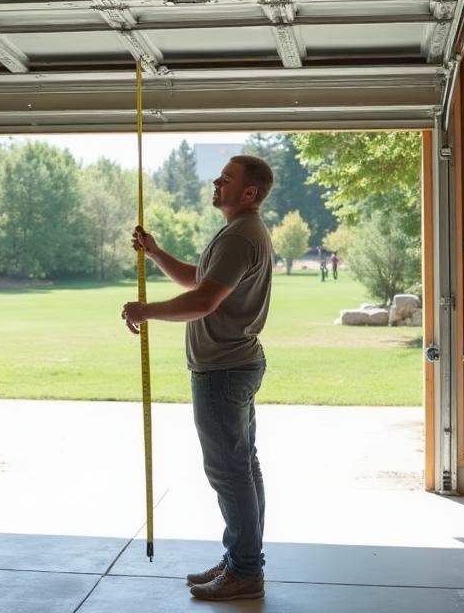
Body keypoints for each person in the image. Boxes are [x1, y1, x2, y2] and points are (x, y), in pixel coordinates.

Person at [121, 154, 274, 602]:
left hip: (222, 371)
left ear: (249, 193)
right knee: (243, 468)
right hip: (233, 365)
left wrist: (145, 311)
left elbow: (204, 301)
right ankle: (241, 560)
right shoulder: (239, 233)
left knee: (230, 473)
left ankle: (245, 569)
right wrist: (155, 251)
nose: (216, 181)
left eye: (226, 178)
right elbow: (200, 279)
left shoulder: (240, 235)